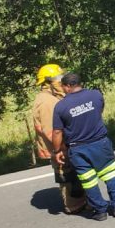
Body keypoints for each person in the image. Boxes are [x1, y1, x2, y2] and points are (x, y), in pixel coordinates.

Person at [51, 72, 115, 221]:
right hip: (100, 143)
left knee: (88, 180)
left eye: (63, 86)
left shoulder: (60, 106)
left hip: (78, 149)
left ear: (68, 86)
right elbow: (100, 110)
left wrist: (57, 151)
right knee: (110, 174)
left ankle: (100, 211)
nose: (62, 89)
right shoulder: (95, 95)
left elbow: (57, 132)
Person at [32, 63, 88, 215]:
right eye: (58, 79)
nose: (61, 82)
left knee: (74, 174)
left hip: (64, 145)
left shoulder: (51, 97)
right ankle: (74, 205)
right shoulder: (46, 102)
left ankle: (80, 200)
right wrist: (62, 149)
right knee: (67, 175)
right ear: (48, 82)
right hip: (59, 147)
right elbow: (51, 132)